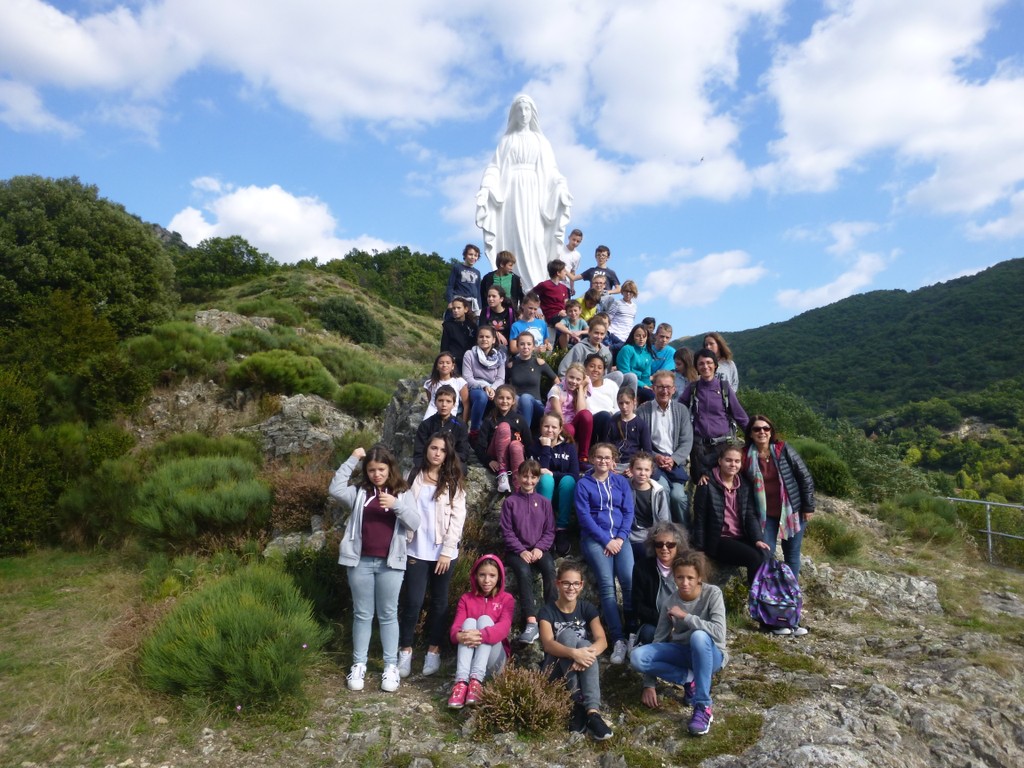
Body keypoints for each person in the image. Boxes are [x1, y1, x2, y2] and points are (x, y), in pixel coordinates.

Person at [329, 445, 419, 693]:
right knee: (362, 614)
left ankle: (391, 667)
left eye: (381, 469)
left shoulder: (402, 492)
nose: (376, 474)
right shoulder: (360, 492)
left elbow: (415, 522)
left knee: (388, 614)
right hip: (360, 562)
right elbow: (334, 489)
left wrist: (396, 505)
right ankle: (359, 664)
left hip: (391, 563)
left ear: (390, 468)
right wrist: (353, 458)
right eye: (371, 470)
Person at [476, 94, 572, 292]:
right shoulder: (507, 140)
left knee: (536, 239)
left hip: (535, 193)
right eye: (519, 109)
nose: (523, 113)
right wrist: (486, 187)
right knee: (513, 237)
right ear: (514, 113)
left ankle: (535, 288)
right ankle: (515, 287)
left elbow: (552, 170)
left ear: (533, 112)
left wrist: (561, 186)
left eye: (527, 109)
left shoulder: (541, 141)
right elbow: (495, 167)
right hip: (511, 192)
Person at [630, 550, 728, 737]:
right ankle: (688, 678)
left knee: (698, 636)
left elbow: (718, 632)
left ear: (699, 577)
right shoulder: (670, 601)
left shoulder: (712, 594)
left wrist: (686, 616)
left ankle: (703, 705)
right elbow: (659, 638)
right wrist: (648, 684)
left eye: (690, 578)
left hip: (711, 654)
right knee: (637, 657)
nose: (685, 583)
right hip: (683, 653)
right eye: (680, 577)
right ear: (674, 577)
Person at [398, 433, 467, 678]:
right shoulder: (412, 476)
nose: (437, 453)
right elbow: (402, 509)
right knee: (412, 602)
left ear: (447, 454)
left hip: (442, 554)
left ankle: (433, 651)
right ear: (426, 450)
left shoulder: (453, 483)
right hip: (414, 549)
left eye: (442, 450)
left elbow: (457, 520)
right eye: (433, 448)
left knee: (439, 603)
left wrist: (447, 552)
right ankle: (405, 651)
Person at [538, 560, 613, 741]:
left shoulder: (586, 608)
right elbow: (548, 644)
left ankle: (591, 713)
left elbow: (602, 641)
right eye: (566, 583)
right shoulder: (547, 611)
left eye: (575, 583)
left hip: (581, 665)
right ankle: (579, 700)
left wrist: (585, 654)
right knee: (567, 635)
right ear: (558, 584)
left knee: (587, 644)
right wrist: (574, 654)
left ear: (581, 586)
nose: (571, 588)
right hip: (554, 670)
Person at [575, 442, 635, 665]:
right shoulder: (584, 484)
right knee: (608, 586)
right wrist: (606, 540)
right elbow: (584, 518)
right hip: (595, 539)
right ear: (592, 459)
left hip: (620, 538)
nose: (603, 461)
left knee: (629, 581)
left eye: (607, 458)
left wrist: (620, 537)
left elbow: (628, 511)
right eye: (598, 457)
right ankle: (618, 639)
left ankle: (632, 633)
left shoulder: (620, 482)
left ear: (613, 461)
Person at [743, 414, 816, 592]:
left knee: (791, 555)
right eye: (757, 429)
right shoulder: (745, 456)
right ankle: (766, 593)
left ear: (771, 432)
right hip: (764, 516)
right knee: (764, 553)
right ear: (750, 433)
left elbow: (804, 477)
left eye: (766, 428)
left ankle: (789, 594)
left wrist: (808, 506)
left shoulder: (783, 449)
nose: (762, 432)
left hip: (792, 512)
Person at [692, 444, 770, 586]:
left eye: (737, 461)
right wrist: (699, 549)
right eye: (728, 460)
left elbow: (750, 515)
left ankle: (760, 593)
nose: (733, 464)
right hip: (719, 539)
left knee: (764, 554)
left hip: (741, 536)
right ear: (720, 461)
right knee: (754, 558)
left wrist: (757, 539)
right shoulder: (706, 483)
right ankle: (755, 598)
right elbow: (700, 519)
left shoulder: (744, 484)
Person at [500, 460, 557, 645]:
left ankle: (552, 618)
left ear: (538, 479)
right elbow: (507, 532)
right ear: (517, 477)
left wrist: (540, 548)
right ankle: (531, 622)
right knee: (524, 573)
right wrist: (521, 550)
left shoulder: (544, 503)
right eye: (525, 476)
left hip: (540, 550)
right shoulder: (510, 502)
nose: (528, 480)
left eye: (533, 477)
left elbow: (550, 531)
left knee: (549, 569)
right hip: (516, 552)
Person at [448, 555, 515, 709]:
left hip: (495, 662)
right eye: (482, 575)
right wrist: (460, 635)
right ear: (475, 576)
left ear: (499, 578)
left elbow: (504, 628)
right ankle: (462, 683)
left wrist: (481, 635)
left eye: (492, 575)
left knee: (485, 619)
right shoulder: (466, 599)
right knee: (469, 622)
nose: (487, 580)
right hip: (471, 658)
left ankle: (476, 681)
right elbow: (455, 628)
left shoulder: (506, 599)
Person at [681, 349, 749, 482]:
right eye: (701, 363)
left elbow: (740, 415)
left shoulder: (724, 387)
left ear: (715, 365)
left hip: (722, 447)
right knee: (702, 487)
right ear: (696, 367)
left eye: (709, 362)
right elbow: (678, 411)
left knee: (722, 485)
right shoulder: (693, 388)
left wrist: (754, 437)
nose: (705, 366)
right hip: (699, 448)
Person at [636, 370, 693, 528]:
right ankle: (665, 533)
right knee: (663, 490)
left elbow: (687, 440)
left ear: (674, 389)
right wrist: (655, 457)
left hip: (675, 463)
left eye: (668, 387)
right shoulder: (643, 411)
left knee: (679, 496)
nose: (664, 391)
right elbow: (640, 441)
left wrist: (674, 459)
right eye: (660, 387)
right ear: (653, 388)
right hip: (654, 462)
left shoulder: (681, 410)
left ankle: (684, 533)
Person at [632, 521, 689, 648]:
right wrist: (664, 620)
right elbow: (638, 605)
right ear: (653, 546)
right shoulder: (642, 568)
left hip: (684, 621)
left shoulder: (687, 567)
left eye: (670, 544)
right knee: (649, 634)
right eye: (659, 544)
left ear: (678, 545)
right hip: (655, 623)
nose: (664, 548)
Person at [534, 412, 580, 557]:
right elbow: (539, 472)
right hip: (542, 492)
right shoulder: (534, 446)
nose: (550, 430)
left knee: (568, 480)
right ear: (541, 427)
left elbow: (574, 475)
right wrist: (546, 448)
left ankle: (561, 529)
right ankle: (546, 526)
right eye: (546, 426)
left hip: (563, 494)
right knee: (546, 479)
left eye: (554, 427)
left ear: (560, 429)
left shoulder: (569, 447)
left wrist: (553, 474)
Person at [475, 384, 531, 493]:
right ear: (495, 400)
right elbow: (479, 446)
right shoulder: (490, 419)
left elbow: (529, 445)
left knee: (515, 445)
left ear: (513, 401)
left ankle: (518, 487)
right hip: (496, 456)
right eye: (501, 398)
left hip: (515, 456)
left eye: (508, 398)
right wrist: (489, 460)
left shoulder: (520, 420)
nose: (504, 401)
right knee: (504, 427)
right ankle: (502, 473)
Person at [557, 318, 637, 391]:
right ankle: (611, 402)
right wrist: (569, 388)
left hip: (601, 383)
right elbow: (563, 370)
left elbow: (607, 373)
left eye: (602, 334)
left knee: (631, 377)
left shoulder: (606, 351)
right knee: (618, 375)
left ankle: (629, 402)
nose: (599, 336)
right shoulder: (579, 348)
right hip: (584, 383)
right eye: (596, 333)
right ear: (589, 332)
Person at [506, 331, 558, 432]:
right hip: (517, 405)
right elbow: (505, 386)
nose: (525, 347)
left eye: (529, 344)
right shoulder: (511, 365)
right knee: (515, 398)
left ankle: (525, 435)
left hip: (536, 406)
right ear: (517, 346)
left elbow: (556, 381)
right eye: (522, 344)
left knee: (525, 398)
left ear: (534, 346)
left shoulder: (539, 363)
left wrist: (551, 400)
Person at [414, 384, 471, 472]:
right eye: (440, 400)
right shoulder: (426, 424)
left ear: (454, 404)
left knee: (462, 468)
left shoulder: (460, 425)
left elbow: (463, 453)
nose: (444, 404)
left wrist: (446, 460)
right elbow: (419, 451)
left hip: (451, 464)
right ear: (435, 402)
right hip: (429, 463)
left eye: (448, 401)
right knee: (415, 472)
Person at [626, 452, 671, 563]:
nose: (642, 473)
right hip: (630, 535)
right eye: (638, 469)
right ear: (631, 470)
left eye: (646, 470)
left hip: (651, 536)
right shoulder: (624, 488)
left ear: (651, 472)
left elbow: (664, 520)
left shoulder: (658, 491)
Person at [544, 362, 593, 462]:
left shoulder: (580, 389)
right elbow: (559, 416)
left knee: (587, 415)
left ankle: (583, 457)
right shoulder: (556, 389)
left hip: (573, 423)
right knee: (569, 428)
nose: (574, 381)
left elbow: (581, 411)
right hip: (558, 424)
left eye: (578, 379)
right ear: (566, 376)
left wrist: (580, 388)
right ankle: (569, 460)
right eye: (571, 377)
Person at [463, 325, 507, 435]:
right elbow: (467, 378)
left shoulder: (500, 357)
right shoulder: (470, 354)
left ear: (493, 340)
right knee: (482, 396)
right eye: (481, 337)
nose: (484, 339)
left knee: (512, 399)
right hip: (475, 388)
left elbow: (500, 378)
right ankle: (474, 430)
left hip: (494, 388)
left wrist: (492, 388)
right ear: (477, 339)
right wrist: (484, 386)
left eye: (487, 337)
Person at [604, 385, 653, 470]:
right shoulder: (612, 422)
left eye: (627, 403)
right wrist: (609, 462)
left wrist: (635, 468)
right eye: (621, 403)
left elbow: (647, 452)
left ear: (634, 401)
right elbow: (606, 445)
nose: (624, 407)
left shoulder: (641, 424)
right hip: (613, 464)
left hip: (632, 465)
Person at [583, 353, 621, 444]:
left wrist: (611, 414)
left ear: (604, 371)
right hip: (592, 423)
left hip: (612, 419)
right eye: (592, 366)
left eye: (600, 368)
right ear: (585, 368)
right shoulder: (582, 386)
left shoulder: (611, 384)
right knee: (604, 415)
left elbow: (619, 406)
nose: (596, 370)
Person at [423, 351, 469, 422]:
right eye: (441, 363)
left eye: (448, 363)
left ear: (453, 366)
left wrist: (464, 423)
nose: (444, 365)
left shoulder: (459, 382)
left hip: (450, 414)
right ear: (437, 366)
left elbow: (466, 405)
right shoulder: (430, 383)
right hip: (432, 414)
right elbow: (431, 401)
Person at [615, 324, 655, 403]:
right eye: (638, 336)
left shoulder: (648, 353)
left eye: (644, 336)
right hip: (627, 383)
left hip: (641, 384)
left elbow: (646, 375)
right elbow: (625, 372)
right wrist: (643, 385)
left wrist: (649, 386)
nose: (641, 339)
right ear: (633, 336)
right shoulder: (627, 349)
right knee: (649, 395)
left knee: (654, 393)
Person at [439, 297, 477, 375]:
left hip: (469, 360)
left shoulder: (472, 325)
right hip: (454, 360)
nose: (456, 311)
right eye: (454, 308)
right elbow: (444, 346)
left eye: (459, 308)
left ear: (465, 309)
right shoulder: (448, 325)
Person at [534, 258, 571, 335]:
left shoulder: (564, 288)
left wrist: (567, 311)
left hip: (563, 314)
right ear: (558, 273)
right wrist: (537, 309)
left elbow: (566, 303)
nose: (566, 273)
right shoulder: (545, 285)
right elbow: (530, 295)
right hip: (551, 315)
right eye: (564, 271)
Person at [480, 250, 524, 315]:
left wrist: (520, 311)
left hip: (510, 312)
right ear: (502, 264)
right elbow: (482, 295)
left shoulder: (515, 279)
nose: (512, 268)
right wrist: (485, 309)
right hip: (491, 312)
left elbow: (521, 296)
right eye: (510, 265)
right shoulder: (487, 277)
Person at [600, 280, 639, 353]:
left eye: (630, 292)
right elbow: (608, 319)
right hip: (614, 336)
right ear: (622, 291)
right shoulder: (617, 303)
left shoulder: (634, 307)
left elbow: (631, 323)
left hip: (626, 338)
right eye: (626, 291)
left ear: (634, 293)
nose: (628, 294)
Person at [446, 244, 483, 315]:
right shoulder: (457, 267)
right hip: (459, 301)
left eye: (475, 255)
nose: (473, 257)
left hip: (472, 304)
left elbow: (478, 292)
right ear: (465, 255)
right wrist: (450, 301)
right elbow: (450, 286)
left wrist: (480, 307)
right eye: (470, 254)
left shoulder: (477, 272)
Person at [559, 228, 584, 294]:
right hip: (555, 281)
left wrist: (572, 287)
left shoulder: (577, 255)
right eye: (573, 239)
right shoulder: (560, 248)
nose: (575, 242)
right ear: (569, 238)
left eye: (578, 241)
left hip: (566, 285)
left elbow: (573, 272)